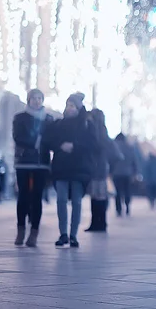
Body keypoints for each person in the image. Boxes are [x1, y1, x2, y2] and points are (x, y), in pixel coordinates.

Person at [43, 92, 98, 248]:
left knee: (76, 201)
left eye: (72, 106)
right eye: (68, 105)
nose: (69, 108)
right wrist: (60, 145)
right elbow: (48, 140)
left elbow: (93, 145)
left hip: (80, 168)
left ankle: (73, 235)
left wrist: (74, 147)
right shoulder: (58, 124)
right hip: (61, 167)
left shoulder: (87, 125)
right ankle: (63, 234)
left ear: (78, 108)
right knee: (61, 200)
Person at [12, 89, 54, 247]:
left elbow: (52, 139)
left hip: (41, 163)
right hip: (24, 161)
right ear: (28, 100)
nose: (37, 101)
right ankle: (21, 229)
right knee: (23, 196)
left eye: (39, 98)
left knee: (37, 197)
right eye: (34, 98)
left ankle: (34, 232)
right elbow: (17, 137)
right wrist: (35, 142)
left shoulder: (48, 119)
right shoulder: (20, 118)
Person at [85, 109, 123, 232]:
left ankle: (98, 223)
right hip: (99, 169)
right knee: (98, 197)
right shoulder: (102, 132)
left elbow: (113, 153)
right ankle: (99, 223)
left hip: (99, 170)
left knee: (97, 197)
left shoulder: (98, 132)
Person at [110, 133, 138, 217]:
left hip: (116, 173)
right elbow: (134, 161)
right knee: (127, 191)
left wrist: (110, 171)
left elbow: (111, 159)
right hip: (127, 173)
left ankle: (118, 210)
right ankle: (127, 207)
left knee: (117, 192)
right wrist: (135, 172)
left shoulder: (114, 147)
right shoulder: (130, 147)